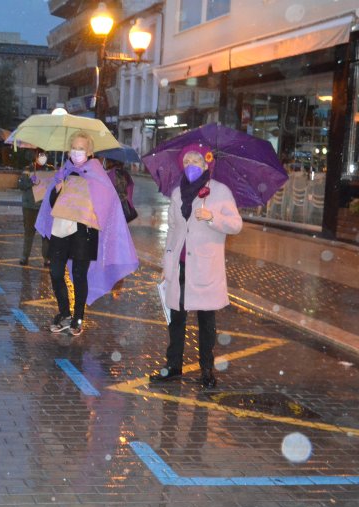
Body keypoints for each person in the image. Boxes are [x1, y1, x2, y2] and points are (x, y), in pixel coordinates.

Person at [149, 143, 242, 388]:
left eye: (197, 161)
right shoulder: (178, 193)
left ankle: (207, 370)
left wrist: (213, 218)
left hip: (204, 267)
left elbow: (236, 225)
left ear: (207, 164)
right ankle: (173, 366)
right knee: (176, 319)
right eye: (187, 161)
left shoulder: (220, 191)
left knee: (206, 322)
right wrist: (166, 262)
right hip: (179, 264)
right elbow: (173, 229)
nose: (192, 166)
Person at [35, 131, 138, 336]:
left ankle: (78, 318)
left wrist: (88, 198)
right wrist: (57, 190)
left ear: (89, 151)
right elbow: (52, 204)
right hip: (61, 230)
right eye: (73, 147)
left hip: (84, 232)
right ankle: (64, 313)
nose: (77, 151)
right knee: (55, 272)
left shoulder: (96, 173)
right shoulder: (64, 170)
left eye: (81, 148)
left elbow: (107, 203)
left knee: (80, 276)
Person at [17, 149, 51, 266]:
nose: (43, 157)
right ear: (35, 156)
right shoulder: (28, 170)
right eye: (40, 155)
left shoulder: (49, 169)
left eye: (45, 155)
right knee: (29, 232)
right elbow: (21, 185)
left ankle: (47, 258)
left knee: (45, 234)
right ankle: (24, 257)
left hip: (44, 207)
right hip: (29, 206)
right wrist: (30, 181)